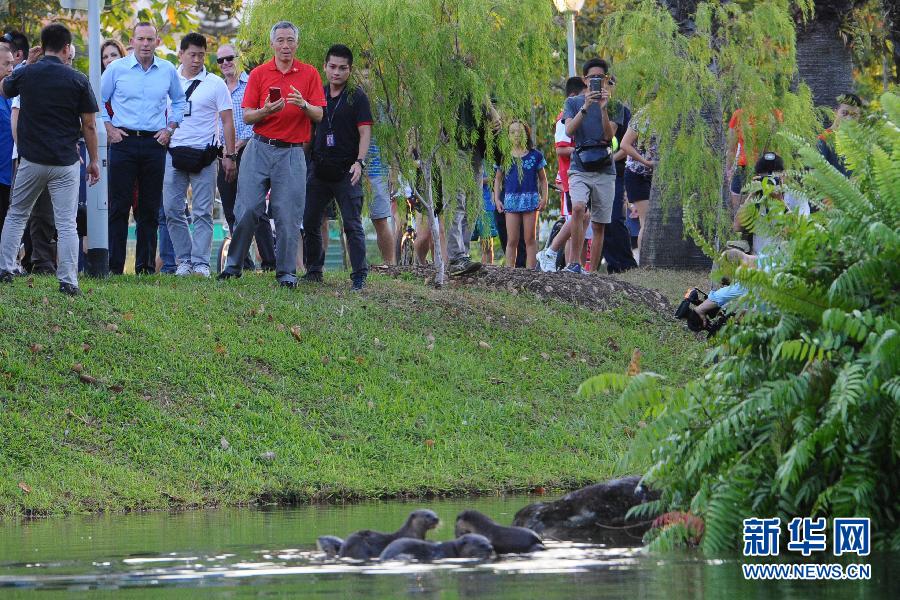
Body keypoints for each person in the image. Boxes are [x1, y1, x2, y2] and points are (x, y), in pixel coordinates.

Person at [218, 21, 324, 288]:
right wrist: (265, 110)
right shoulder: (260, 73)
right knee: (248, 208)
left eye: (290, 40)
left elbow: (320, 114)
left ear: (296, 43)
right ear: (272, 44)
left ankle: (286, 273)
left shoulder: (309, 73)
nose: (285, 45)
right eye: (281, 40)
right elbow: (249, 115)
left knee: (287, 214)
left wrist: (304, 105)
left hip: (291, 152)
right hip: (259, 147)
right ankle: (233, 266)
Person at [0, 23, 100, 295]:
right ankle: (68, 281)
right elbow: (89, 125)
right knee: (66, 223)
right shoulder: (78, 80)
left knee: (17, 214)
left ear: (42, 48)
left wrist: (26, 64)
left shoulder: (28, 74)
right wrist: (93, 160)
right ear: (67, 48)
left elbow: (4, 88)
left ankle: (4, 269)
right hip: (65, 162)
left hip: (31, 161)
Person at [101, 22, 186, 275]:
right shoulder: (117, 69)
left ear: (157, 42)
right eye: (141, 39)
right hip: (123, 142)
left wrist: (170, 129)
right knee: (119, 207)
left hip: (154, 143)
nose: (146, 44)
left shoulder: (167, 70)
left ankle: (146, 268)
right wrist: (110, 129)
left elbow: (180, 101)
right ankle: (114, 267)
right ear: (133, 40)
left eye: (150, 39)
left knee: (149, 209)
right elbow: (98, 100)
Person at [692, 152, 808, 324]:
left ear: (783, 176)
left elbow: (798, 232)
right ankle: (717, 307)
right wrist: (752, 195)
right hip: (757, 258)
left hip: (785, 260)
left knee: (756, 280)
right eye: (764, 177)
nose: (768, 182)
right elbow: (737, 226)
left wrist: (779, 201)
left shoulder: (796, 198)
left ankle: (709, 305)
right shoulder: (756, 198)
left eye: (773, 177)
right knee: (748, 275)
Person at [162, 33, 236, 278]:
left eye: (201, 55)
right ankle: (184, 260)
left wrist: (229, 154)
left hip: (204, 156)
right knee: (172, 209)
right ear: (180, 54)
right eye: (192, 55)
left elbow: (227, 121)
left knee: (202, 212)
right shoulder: (167, 79)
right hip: (172, 154)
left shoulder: (215, 83)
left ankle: (201, 263)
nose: (196, 60)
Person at [302, 44, 372, 291]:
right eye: (332, 67)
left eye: (342, 68)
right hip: (318, 169)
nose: (337, 72)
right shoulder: (317, 95)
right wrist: (303, 161)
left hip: (346, 170)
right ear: (325, 66)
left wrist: (359, 162)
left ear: (349, 70)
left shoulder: (357, 97)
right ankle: (313, 270)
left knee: (352, 224)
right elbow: (309, 132)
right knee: (309, 221)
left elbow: (365, 132)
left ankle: (359, 275)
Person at [215, 44, 276, 272]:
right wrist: (223, 148)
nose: (225, 64)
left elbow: (263, 118)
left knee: (255, 209)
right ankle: (243, 262)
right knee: (231, 211)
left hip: (252, 152)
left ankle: (270, 262)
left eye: (229, 58)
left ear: (239, 58)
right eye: (220, 60)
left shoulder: (254, 83)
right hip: (224, 156)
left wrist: (242, 141)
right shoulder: (218, 88)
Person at [562, 58, 618, 274]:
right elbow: (569, 131)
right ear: (584, 79)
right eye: (591, 77)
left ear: (606, 79)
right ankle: (573, 262)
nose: (596, 80)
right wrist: (585, 107)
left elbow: (609, 136)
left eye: (600, 77)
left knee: (599, 223)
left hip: (605, 169)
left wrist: (603, 109)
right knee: (577, 208)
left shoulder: (615, 105)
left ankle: (592, 272)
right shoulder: (573, 103)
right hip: (580, 167)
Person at [537, 77, 590, 272]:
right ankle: (551, 253)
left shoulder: (583, 117)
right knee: (576, 218)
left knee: (583, 218)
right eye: (585, 95)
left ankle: (575, 265)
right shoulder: (564, 118)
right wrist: (585, 149)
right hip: (571, 177)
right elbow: (561, 149)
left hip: (584, 174)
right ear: (574, 96)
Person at [493, 120, 547, 269]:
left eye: (520, 132)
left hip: (530, 200)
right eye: (512, 132)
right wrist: (497, 199)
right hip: (511, 201)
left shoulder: (535, 156)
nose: (516, 135)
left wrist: (544, 197)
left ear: (526, 134)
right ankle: (510, 272)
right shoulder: (504, 156)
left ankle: (531, 273)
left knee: (529, 239)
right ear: (508, 136)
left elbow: (543, 179)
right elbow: (497, 180)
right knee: (512, 240)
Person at [621, 106, 657, 258]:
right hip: (638, 174)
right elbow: (624, 144)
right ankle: (644, 262)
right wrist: (646, 162)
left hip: (656, 176)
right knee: (646, 221)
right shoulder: (643, 116)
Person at [816, 93, 862, 177]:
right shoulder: (823, 138)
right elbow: (815, 173)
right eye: (844, 113)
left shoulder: (861, 141)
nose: (848, 118)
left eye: (854, 115)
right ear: (835, 112)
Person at [471, 168, 498, 265]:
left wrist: (476, 180)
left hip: (486, 205)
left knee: (486, 244)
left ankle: (488, 268)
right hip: (469, 206)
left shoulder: (490, 160)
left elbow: (495, 178)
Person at [0, 45, 13, 239]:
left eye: (12, 63)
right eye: (6, 64)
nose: (12, 68)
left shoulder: (12, 96)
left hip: (12, 173)